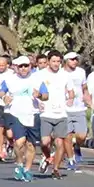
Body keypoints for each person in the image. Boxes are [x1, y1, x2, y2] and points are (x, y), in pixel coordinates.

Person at [35, 51, 73, 179]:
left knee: (59, 143)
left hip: (61, 113)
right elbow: (34, 92)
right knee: (45, 142)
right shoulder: (40, 75)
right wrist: (38, 101)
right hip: (46, 112)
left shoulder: (65, 75)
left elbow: (70, 90)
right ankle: (47, 157)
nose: (56, 64)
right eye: (53, 61)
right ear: (48, 61)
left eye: (58, 61)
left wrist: (71, 98)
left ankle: (56, 169)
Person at [2, 55, 40, 181]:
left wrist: (39, 95)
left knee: (30, 145)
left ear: (30, 66)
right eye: (21, 66)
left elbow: (46, 95)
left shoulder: (36, 79)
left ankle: (27, 170)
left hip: (32, 113)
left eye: (26, 66)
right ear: (16, 67)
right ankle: (19, 164)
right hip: (16, 113)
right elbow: (1, 91)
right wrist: (4, 97)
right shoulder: (10, 79)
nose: (23, 68)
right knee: (19, 142)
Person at [63, 52, 89, 169]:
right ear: (66, 61)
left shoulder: (81, 72)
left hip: (79, 108)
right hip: (65, 109)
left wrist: (88, 99)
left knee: (82, 136)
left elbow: (84, 87)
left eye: (76, 59)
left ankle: (77, 146)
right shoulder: (60, 73)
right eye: (72, 59)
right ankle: (71, 159)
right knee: (67, 136)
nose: (74, 61)